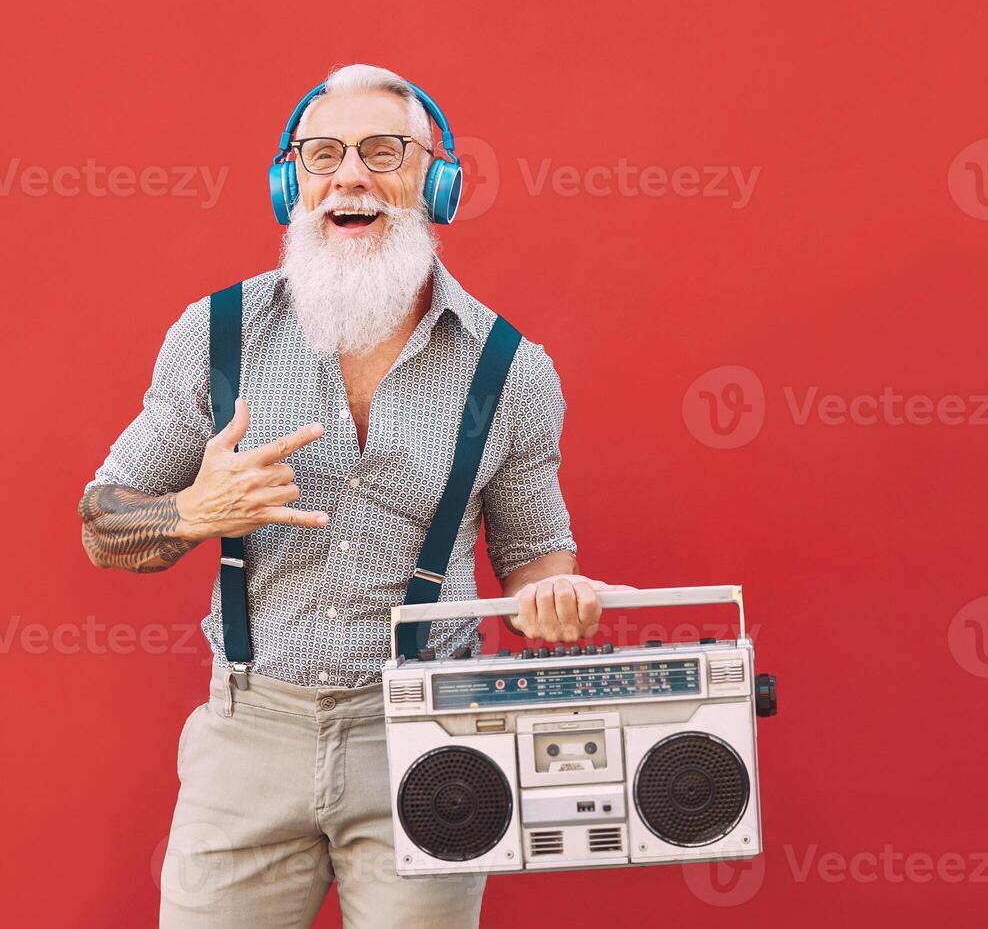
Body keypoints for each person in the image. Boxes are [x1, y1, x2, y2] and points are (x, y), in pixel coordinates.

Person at [78, 63, 620, 928]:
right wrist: (192, 513)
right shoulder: (217, 334)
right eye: (324, 153)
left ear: (435, 181)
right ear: (291, 183)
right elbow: (102, 524)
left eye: (383, 151)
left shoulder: (510, 368)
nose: (351, 175)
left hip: (427, 742)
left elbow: (532, 557)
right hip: (249, 735)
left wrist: (551, 596)